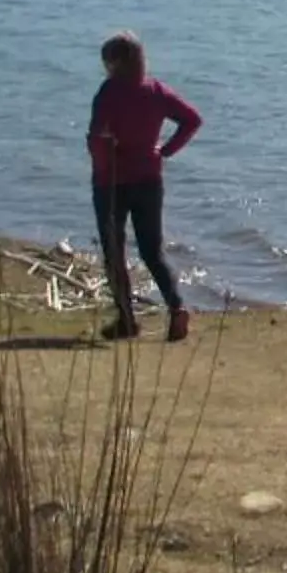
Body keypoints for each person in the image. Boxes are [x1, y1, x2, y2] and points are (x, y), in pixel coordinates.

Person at [88, 30, 203, 342]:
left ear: (116, 63)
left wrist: (102, 165)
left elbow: (97, 137)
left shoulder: (109, 92)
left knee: (114, 251)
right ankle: (176, 306)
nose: (105, 68)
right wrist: (164, 151)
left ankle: (126, 319)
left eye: (107, 62)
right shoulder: (155, 91)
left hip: (112, 182)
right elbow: (192, 120)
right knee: (152, 250)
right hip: (149, 179)